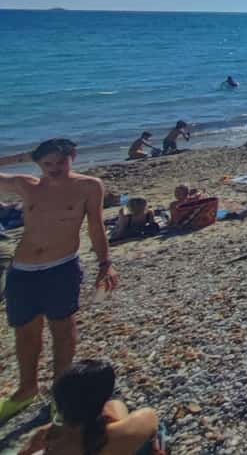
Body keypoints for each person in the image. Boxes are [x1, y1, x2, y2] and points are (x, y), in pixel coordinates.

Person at [0, 139, 117, 426]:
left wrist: (106, 263)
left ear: (73, 157)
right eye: (47, 164)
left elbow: (95, 226)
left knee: (62, 331)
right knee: (25, 333)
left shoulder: (89, 186)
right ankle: (27, 388)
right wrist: (24, 156)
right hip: (23, 271)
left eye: (60, 163)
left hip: (61, 268)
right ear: (38, 164)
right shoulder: (27, 185)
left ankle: (60, 395)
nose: (54, 169)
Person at [19, 360, 159, 455]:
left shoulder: (50, 440)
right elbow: (150, 416)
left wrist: (58, 425)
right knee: (156, 436)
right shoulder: (117, 436)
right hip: (108, 442)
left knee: (114, 405)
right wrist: (113, 420)